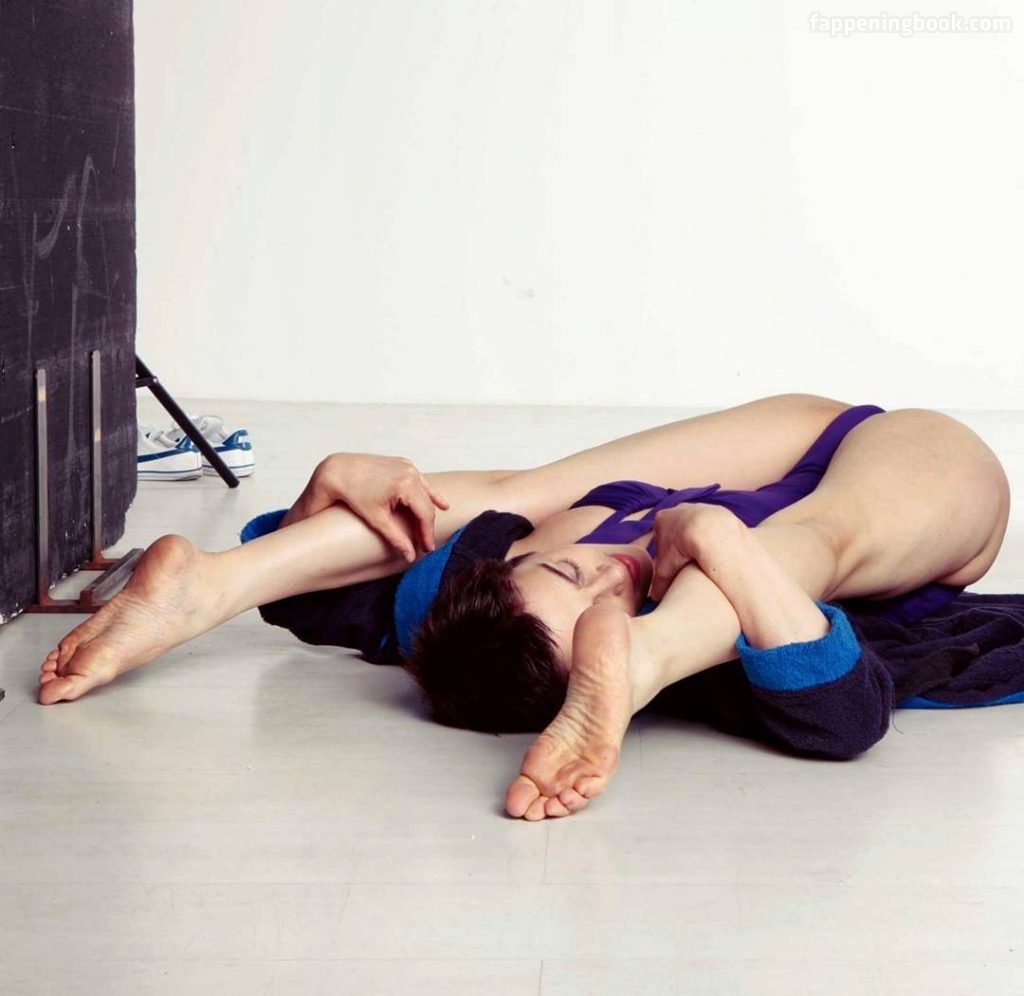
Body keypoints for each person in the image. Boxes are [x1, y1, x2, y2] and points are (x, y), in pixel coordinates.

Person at [36, 394, 1012, 822]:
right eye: (609, 609)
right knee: (818, 543)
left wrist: (326, 487)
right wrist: (717, 540)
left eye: (571, 576)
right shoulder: (730, 639)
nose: (614, 575)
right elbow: (843, 715)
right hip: (913, 478)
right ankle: (649, 659)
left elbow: (360, 594)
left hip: (799, 434)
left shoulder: (471, 600)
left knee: (524, 496)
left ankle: (214, 582)